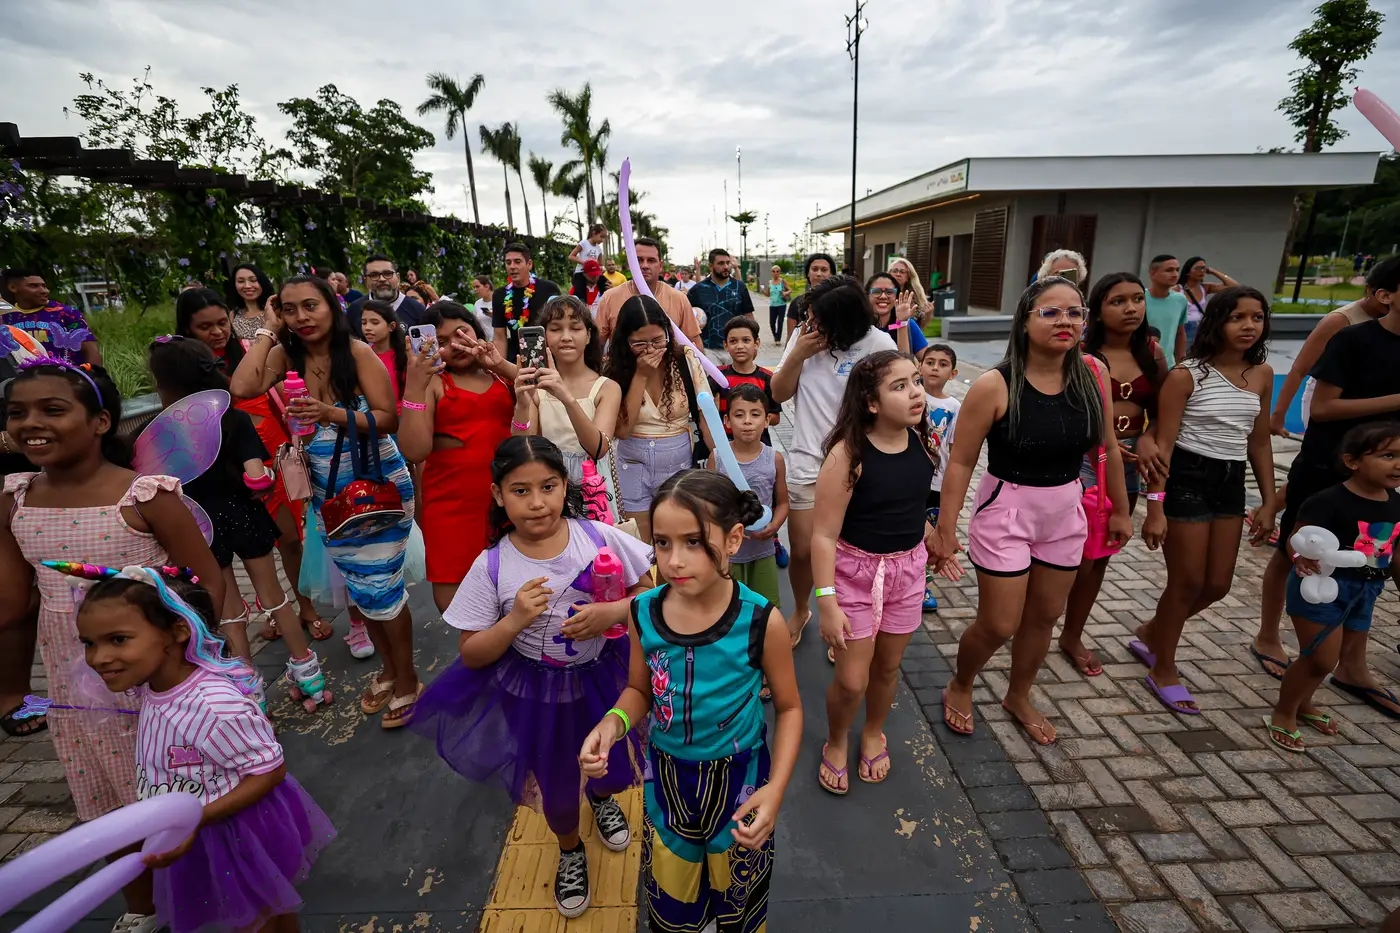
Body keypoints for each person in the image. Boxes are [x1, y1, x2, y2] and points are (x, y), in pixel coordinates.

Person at [0, 359, 224, 933]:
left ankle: (206, 893)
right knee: (105, 799)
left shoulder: (145, 494)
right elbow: (14, 606)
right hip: (77, 689)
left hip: (162, 684)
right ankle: (141, 906)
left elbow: (207, 583)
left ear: (100, 421)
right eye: (17, 412)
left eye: (53, 409)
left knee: (177, 792)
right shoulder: (15, 498)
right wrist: (13, 689)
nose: (31, 423)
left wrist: (195, 663)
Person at [411, 436, 652, 918]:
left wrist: (611, 611)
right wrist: (513, 621)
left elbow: (648, 592)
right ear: (498, 495)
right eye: (521, 491)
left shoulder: (599, 536)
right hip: (536, 695)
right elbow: (473, 653)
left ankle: (603, 801)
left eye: (549, 486)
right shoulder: (492, 565)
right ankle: (569, 849)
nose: (538, 502)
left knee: (606, 760)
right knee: (557, 779)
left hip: (603, 676)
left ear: (566, 486)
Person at [579, 470, 802, 933]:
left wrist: (775, 789)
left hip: (740, 780)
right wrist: (613, 723)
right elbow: (640, 690)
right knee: (673, 894)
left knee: (737, 893)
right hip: (667, 778)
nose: (675, 561)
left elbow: (790, 707)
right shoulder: (643, 611)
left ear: (734, 538)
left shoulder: (763, 622)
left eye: (694, 542)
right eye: (662, 543)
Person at [73, 565, 334, 933]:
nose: (98, 658)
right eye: (89, 642)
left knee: (257, 917)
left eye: (118, 640)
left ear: (178, 631)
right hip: (200, 829)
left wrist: (195, 820)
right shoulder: (154, 686)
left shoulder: (213, 705)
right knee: (266, 911)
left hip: (233, 834)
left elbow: (269, 769)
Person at [934, 276, 1131, 743]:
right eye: (1050, 312)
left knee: (1044, 616)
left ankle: (1018, 694)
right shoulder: (994, 384)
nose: (1065, 321)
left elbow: (1107, 446)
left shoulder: (1092, 375)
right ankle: (961, 682)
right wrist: (945, 529)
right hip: (1008, 510)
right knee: (1000, 623)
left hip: (1065, 510)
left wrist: (1122, 510)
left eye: (1075, 312)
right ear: (1025, 321)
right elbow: (960, 461)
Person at [231, 275, 422, 729]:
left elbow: (388, 418)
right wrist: (266, 330)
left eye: (311, 306)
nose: (302, 317)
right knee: (361, 589)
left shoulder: (356, 353)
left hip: (376, 486)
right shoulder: (284, 353)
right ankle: (391, 670)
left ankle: (409, 678)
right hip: (327, 494)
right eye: (291, 309)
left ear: (332, 308)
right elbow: (242, 387)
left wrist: (329, 413)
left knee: (382, 591)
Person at [147, 339, 327, 707]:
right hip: (245, 516)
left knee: (230, 611)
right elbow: (257, 477)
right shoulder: (233, 417)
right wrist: (260, 484)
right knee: (276, 599)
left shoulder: (158, 433)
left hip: (199, 527)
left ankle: (250, 692)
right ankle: (310, 678)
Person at [1252, 263, 1400, 700]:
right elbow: (1323, 409)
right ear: (1386, 294)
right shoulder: (1353, 338)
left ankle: (1353, 664)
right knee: (1293, 548)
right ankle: (1267, 634)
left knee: (1372, 559)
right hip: (1326, 466)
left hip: (1385, 474)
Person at [1133, 286, 1276, 714]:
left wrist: (1269, 502)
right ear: (1217, 322)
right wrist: (1154, 507)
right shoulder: (1187, 375)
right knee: (1187, 581)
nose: (1249, 325)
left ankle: (1151, 632)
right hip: (1187, 477)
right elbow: (1162, 445)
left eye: (1257, 317)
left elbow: (1261, 442)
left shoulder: (1263, 374)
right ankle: (1164, 667)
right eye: (1238, 317)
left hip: (1231, 481)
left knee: (1218, 584)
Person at [814, 351, 951, 790]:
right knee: (852, 680)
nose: (916, 391)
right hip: (854, 575)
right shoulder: (846, 456)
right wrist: (826, 602)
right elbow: (822, 536)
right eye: (900, 386)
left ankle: (872, 731)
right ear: (871, 403)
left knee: (888, 669)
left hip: (907, 573)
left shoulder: (923, 441)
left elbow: (913, 507)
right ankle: (837, 739)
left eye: (916, 381)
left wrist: (934, 541)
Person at [172, 289, 337, 651]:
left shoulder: (250, 353)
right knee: (238, 553)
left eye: (222, 323)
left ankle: (303, 609)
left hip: (271, 460)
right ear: (187, 328)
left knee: (290, 540)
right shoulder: (181, 371)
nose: (217, 332)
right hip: (220, 473)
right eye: (205, 326)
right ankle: (274, 613)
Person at [771, 275, 897, 645]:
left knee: (849, 551)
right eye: (809, 316)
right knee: (804, 550)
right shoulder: (805, 338)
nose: (812, 324)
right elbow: (778, 392)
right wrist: (798, 353)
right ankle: (801, 608)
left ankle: (844, 620)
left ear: (844, 322)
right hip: (809, 461)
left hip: (861, 465)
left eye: (819, 319)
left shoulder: (878, 344)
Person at [1057, 274, 1168, 675]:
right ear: (1098, 310)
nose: (1131, 309)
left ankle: (1073, 633)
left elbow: (1164, 413)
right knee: (1071, 558)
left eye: (1137, 300)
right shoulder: (1078, 351)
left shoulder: (1151, 352)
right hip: (1081, 461)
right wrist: (1097, 442)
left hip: (1130, 464)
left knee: (1100, 556)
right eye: (1118, 301)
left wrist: (1150, 437)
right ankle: (1037, 621)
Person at [1266, 423, 1400, 752]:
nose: (1398, 464)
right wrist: (1298, 557)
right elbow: (1298, 539)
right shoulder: (1326, 501)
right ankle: (1284, 712)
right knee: (1319, 659)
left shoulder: (1396, 503)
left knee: (1339, 655)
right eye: (1387, 455)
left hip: (1365, 592)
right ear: (1352, 461)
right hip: (1320, 587)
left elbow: (1395, 552)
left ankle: (1304, 702)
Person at [398, 302, 516, 612]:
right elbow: (414, 450)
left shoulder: (502, 375)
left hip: (509, 502)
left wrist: (501, 364)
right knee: (459, 604)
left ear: (478, 332)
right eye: (443, 340)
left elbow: (541, 395)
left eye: (462, 333)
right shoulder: (433, 383)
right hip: (452, 508)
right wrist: (413, 385)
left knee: (515, 589)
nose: (456, 344)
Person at [605, 296, 713, 542]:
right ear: (625, 341)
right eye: (640, 344)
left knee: (675, 539)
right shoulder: (617, 368)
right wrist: (640, 376)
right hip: (632, 462)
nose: (651, 349)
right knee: (640, 545)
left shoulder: (684, 359)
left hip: (678, 461)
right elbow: (621, 430)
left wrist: (721, 461)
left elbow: (707, 417)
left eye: (657, 340)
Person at [1270, 257, 1400, 437]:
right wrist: (1278, 415)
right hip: (1333, 395)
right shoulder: (1341, 321)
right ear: (1371, 291)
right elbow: (1300, 368)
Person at [511, 295, 620, 483]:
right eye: (555, 329)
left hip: (595, 489)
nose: (566, 337)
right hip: (550, 485)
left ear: (588, 336)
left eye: (575, 328)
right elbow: (523, 447)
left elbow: (598, 448)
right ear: (544, 336)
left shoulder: (607, 388)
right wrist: (522, 404)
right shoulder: (537, 388)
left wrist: (566, 398)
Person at [709, 383, 788, 615]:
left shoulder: (775, 459)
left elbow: (783, 502)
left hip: (763, 550)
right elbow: (710, 505)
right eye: (739, 415)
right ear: (726, 421)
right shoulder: (717, 458)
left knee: (764, 610)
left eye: (755, 414)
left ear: (767, 420)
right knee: (729, 610)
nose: (747, 421)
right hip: (728, 553)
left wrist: (774, 527)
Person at [594, 237, 700, 348]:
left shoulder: (679, 299)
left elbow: (695, 343)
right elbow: (596, 346)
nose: (644, 265)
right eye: (639, 260)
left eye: (651, 260)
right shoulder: (609, 298)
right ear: (630, 264)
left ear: (660, 266)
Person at [918, 343, 962, 612]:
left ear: (953, 373)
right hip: (911, 478)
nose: (935, 367)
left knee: (929, 535)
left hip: (937, 482)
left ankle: (922, 584)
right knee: (911, 530)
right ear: (919, 367)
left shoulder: (955, 406)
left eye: (942, 364)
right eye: (930, 362)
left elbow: (956, 449)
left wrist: (953, 484)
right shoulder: (913, 395)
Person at [2, 269, 101, 366]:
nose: (44, 291)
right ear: (13, 288)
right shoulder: (5, 317)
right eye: (34, 286)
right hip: (23, 378)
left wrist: (96, 376)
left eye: (44, 286)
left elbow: (90, 349)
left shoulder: (66, 313)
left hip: (66, 377)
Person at [491, 242, 562, 364]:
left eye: (517, 262)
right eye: (508, 263)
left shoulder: (549, 289)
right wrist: (500, 367)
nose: (512, 267)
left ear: (529, 264)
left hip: (548, 356)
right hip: (517, 359)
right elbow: (500, 337)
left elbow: (560, 325)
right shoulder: (499, 295)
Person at [716, 316, 781, 445]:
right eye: (733, 341)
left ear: (756, 343)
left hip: (758, 447)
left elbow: (775, 417)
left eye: (746, 340)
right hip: (725, 446)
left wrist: (753, 418)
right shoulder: (717, 376)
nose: (740, 346)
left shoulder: (767, 378)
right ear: (726, 345)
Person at [689, 248, 756, 366]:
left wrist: (753, 342)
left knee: (737, 383)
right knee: (714, 384)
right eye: (720, 263)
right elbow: (688, 318)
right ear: (711, 266)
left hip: (736, 347)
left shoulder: (739, 287)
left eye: (727, 263)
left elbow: (748, 316)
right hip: (709, 350)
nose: (725, 267)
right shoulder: (698, 290)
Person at [348, 255, 427, 336]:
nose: (382, 279)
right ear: (366, 281)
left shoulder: (418, 311)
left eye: (388, 273)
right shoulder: (354, 310)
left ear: (398, 278)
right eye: (374, 275)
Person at [359, 300, 409, 410]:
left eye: (375, 322)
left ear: (391, 326)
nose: (367, 327)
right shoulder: (360, 356)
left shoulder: (406, 356)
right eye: (364, 323)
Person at [1177, 257, 1238, 345]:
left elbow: (1235, 287)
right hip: (1184, 327)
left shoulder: (1205, 288)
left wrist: (1213, 271)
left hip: (1200, 327)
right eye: (1198, 268)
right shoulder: (1178, 289)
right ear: (1188, 271)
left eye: (1204, 268)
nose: (1202, 271)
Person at [866, 271, 926, 356]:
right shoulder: (859, 325)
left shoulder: (908, 324)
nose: (883, 296)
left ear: (897, 296)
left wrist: (901, 323)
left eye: (889, 292)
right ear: (867, 295)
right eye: (876, 291)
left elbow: (928, 359)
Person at [1145, 255, 1189, 369]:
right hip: (1140, 363)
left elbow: (1180, 333)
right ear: (1153, 273)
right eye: (1169, 270)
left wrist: (1181, 362)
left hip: (1168, 366)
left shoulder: (1180, 300)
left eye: (1177, 270)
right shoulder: (1139, 298)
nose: (1175, 274)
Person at [785, 252, 836, 342]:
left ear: (831, 274)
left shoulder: (838, 301)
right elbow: (790, 340)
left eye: (824, 270)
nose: (819, 274)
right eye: (815, 269)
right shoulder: (797, 303)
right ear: (808, 273)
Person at [227, 264, 278, 344]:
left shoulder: (275, 309)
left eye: (253, 280)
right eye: (241, 281)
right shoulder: (233, 315)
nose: (247, 286)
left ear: (262, 282)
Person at [887, 256, 931, 322]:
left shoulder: (914, 299)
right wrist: (901, 322)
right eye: (895, 271)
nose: (898, 274)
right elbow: (886, 327)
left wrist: (928, 315)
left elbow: (918, 327)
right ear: (889, 274)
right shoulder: (882, 295)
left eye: (902, 272)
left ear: (908, 277)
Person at [766, 264, 792, 341]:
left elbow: (790, 289)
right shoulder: (769, 282)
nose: (775, 273)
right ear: (771, 272)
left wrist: (786, 293)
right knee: (772, 323)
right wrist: (763, 289)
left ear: (779, 272)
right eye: (774, 271)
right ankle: (775, 335)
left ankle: (778, 339)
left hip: (782, 305)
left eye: (777, 271)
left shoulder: (783, 281)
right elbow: (767, 294)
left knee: (780, 322)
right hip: (772, 305)